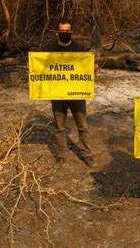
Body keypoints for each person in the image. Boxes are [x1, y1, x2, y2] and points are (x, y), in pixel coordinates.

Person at [45, 18, 96, 167]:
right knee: (59, 128)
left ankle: (88, 155)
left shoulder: (80, 49)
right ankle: (62, 154)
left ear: (71, 32)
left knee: (83, 126)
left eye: (67, 31)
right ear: (57, 32)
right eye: (62, 31)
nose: (65, 33)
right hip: (58, 94)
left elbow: (88, 68)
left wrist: (94, 68)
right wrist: (32, 67)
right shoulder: (49, 50)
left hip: (77, 94)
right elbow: (41, 68)